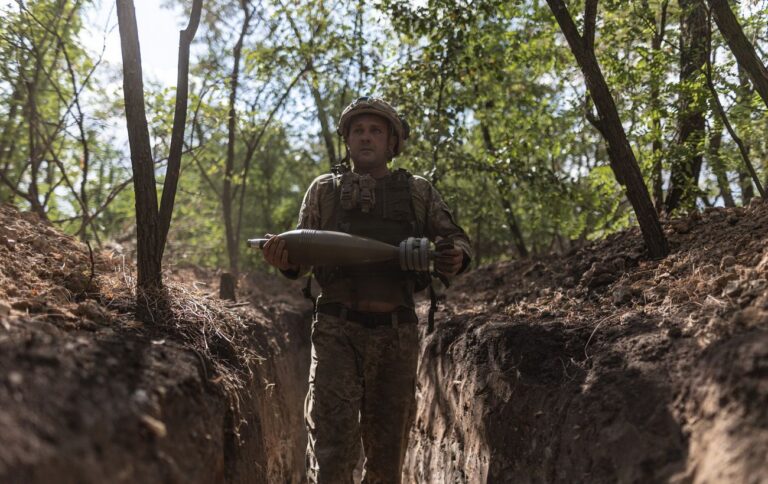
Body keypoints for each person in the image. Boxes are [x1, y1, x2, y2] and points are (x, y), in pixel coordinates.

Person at [261, 97, 472, 483]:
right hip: (336, 333)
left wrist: (453, 256)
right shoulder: (324, 190)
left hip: (397, 335)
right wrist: (284, 258)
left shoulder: (418, 192)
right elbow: (303, 254)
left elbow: (456, 241)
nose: (366, 137)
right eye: (358, 130)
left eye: (376, 130)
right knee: (330, 456)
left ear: (393, 142)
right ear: (347, 140)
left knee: (386, 460)